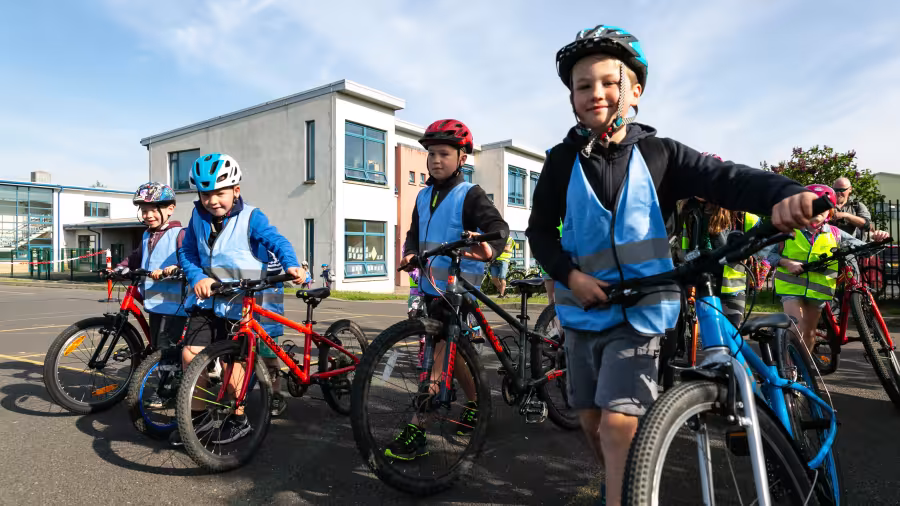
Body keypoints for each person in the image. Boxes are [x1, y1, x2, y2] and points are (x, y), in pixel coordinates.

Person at [527, 25, 818, 506]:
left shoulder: (660, 154)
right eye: (583, 86)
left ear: (634, 93)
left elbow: (725, 178)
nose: (594, 93)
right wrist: (571, 276)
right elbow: (539, 232)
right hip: (582, 310)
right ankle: (623, 482)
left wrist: (785, 194)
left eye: (607, 82)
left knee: (619, 421)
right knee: (591, 421)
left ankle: (623, 495)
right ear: (572, 97)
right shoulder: (561, 162)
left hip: (641, 312)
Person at [391, 118, 509, 461]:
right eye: (430, 154)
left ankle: (417, 428)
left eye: (443, 153)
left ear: (462, 158)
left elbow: (498, 230)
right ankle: (475, 404)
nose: (435, 160)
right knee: (451, 360)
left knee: (437, 362)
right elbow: (414, 234)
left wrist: (486, 247)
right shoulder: (423, 195)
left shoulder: (468, 195)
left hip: (458, 292)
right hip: (429, 289)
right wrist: (410, 253)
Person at [175, 153, 306, 445]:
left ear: (235, 190)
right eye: (205, 194)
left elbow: (277, 241)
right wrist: (197, 278)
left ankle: (238, 419)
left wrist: (291, 264)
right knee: (190, 355)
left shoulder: (252, 217)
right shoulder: (197, 216)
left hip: (241, 301)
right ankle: (197, 421)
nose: (212, 201)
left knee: (235, 365)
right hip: (207, 300)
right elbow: (188, 254)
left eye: (219, 193)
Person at [768, 184, 888, 351]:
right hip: (791, 287)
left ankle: (804, 370)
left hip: (819, 291)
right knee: (796, 327)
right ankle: (789, 368)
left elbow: (865, 250)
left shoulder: (835, 233)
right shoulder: (789, 230)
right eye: (812, 207)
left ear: (830, 212)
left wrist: (878, 241)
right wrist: (787, 263)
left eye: (822, 209)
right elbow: (768, 254)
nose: (817, 212)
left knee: (810, 333)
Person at [116, 183, 188, 396]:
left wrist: (175, 268)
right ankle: (166, 382)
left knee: (168, 347)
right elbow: (136, 257)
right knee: (158, 344)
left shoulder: (180, 234)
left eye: (152, 210)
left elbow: (190, 260)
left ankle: (168, 391)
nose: (147, 215)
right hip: (155, 301)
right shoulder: (148, 235)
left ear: (170, 209)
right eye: (143, 210)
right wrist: (120, 267)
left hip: (176, 304)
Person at [675, 193, 760, 328]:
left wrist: (749, 253)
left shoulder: (739, 215)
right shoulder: (689, 210)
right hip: (701, 282)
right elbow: (682, 245)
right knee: (711, 333)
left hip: (732, 287)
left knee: (731, 334)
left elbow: (763, 243)